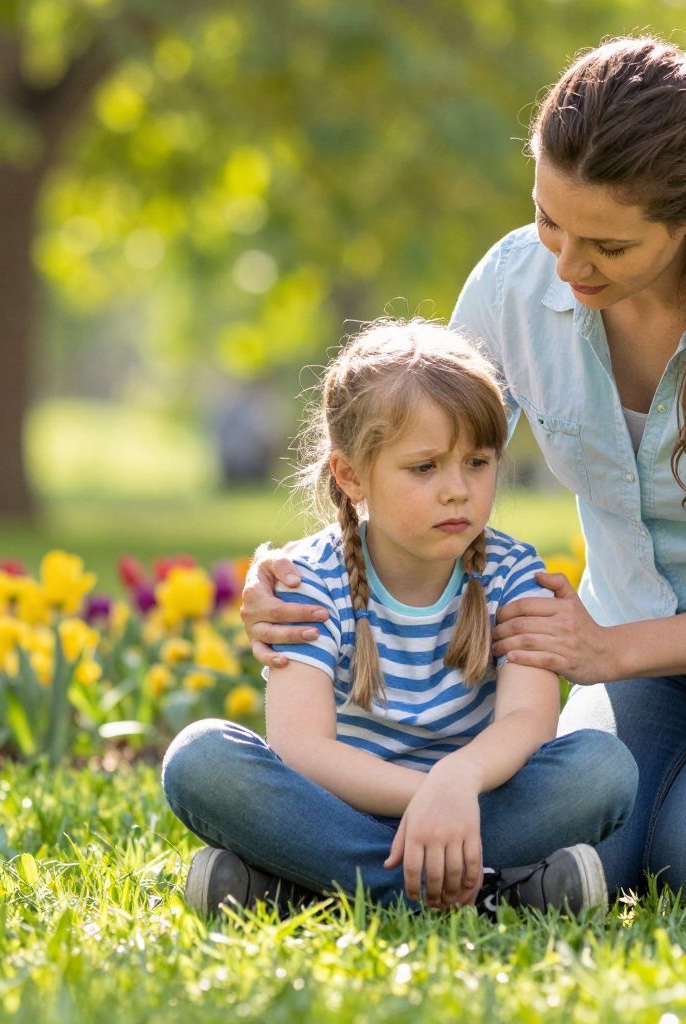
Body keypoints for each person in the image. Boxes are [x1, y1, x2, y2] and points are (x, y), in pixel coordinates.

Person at [242, 37, 686, 900]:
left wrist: (606, 649)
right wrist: (308, 573)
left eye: (608, 246)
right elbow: (414, 447)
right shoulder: (515, 285)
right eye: (549, 219)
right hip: (644, 652)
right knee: (577, 860)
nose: (566, 265)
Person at [162, 321, 638, 915]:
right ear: (351, 475)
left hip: (476, 804)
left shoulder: (514, 573)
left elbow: (529, 722)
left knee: (602, 769)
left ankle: (316, 894)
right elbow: (302, 748)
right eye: (424, 467)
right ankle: (487, 893)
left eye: (477, 462)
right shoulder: (311, 580)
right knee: (201, 760)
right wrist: (431, 798)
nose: (457, 490)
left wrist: (457, 782)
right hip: (336, 812)